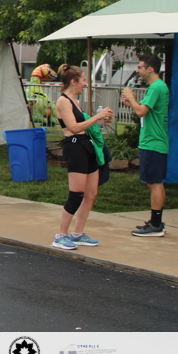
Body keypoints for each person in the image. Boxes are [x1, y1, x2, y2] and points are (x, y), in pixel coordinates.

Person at [51, 65, 114, 250]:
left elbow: (84, 125)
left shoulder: (75, 100)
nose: (86, 84)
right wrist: (97, 117)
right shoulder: (63, 101)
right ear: (74, 81)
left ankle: (78, 233)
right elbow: (73, 128)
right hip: (75, 147)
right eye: (84, 80)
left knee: (90, 193)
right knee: (76, 194)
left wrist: (99, 122)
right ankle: (60, 235)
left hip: (87, 145)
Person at [123, 54, 170, 237]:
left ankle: (156, 225)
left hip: (153, 142)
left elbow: (142, 111)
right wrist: (131, 103)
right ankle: (156, 221)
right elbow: (144, 111)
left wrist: (131, 97)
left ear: (150, 69)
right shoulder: (157, 87)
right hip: (154, 141)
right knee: (155, 182)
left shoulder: (156, 87)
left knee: (154, 183)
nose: (138, 70)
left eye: (140, 67)